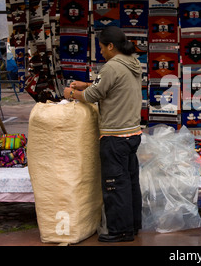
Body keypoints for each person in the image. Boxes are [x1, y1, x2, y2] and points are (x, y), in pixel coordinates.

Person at [63, 26, 143, 242]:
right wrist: (87, 84)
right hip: (132, 133)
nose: (100, 52)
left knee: (114, 185)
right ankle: (133, 225)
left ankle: (120, 230)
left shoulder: (111, 67)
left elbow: (93, 95)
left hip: (114, 135)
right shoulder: (133, 63)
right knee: (129, 181)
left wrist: (72, 92)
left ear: (110, 46)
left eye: (101, 47)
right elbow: (114, 87)